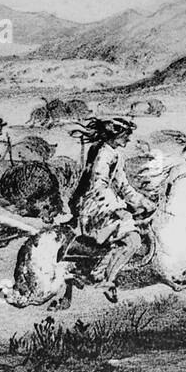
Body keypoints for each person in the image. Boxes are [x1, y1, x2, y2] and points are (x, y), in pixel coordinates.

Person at [68, 117, 156, 303]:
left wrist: (143, 201)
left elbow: (123, 186)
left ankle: (99, 269)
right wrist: (119, 209)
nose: (128, 139)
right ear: (114, 135)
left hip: (105, 205)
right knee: (133, 240)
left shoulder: (114, 153)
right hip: (95, 208)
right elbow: (99, 187)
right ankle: (107, 280)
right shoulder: (103, 154)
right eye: (125, 135)